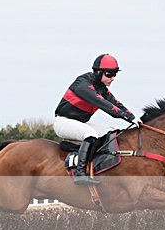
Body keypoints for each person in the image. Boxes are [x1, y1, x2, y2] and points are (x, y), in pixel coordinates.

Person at [54, 54, 137, 185]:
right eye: (109, 74)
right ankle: (80, 174)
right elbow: (106, 105)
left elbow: (116, 103)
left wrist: (134, 118)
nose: (113, 78)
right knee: (90, 134)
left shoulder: (102, 89)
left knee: (110, 132)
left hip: (80, 123)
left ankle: (98, 165)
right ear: (99, 72)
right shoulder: (82, 84)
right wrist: (125, 116)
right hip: (63, 122)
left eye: (115, 75)